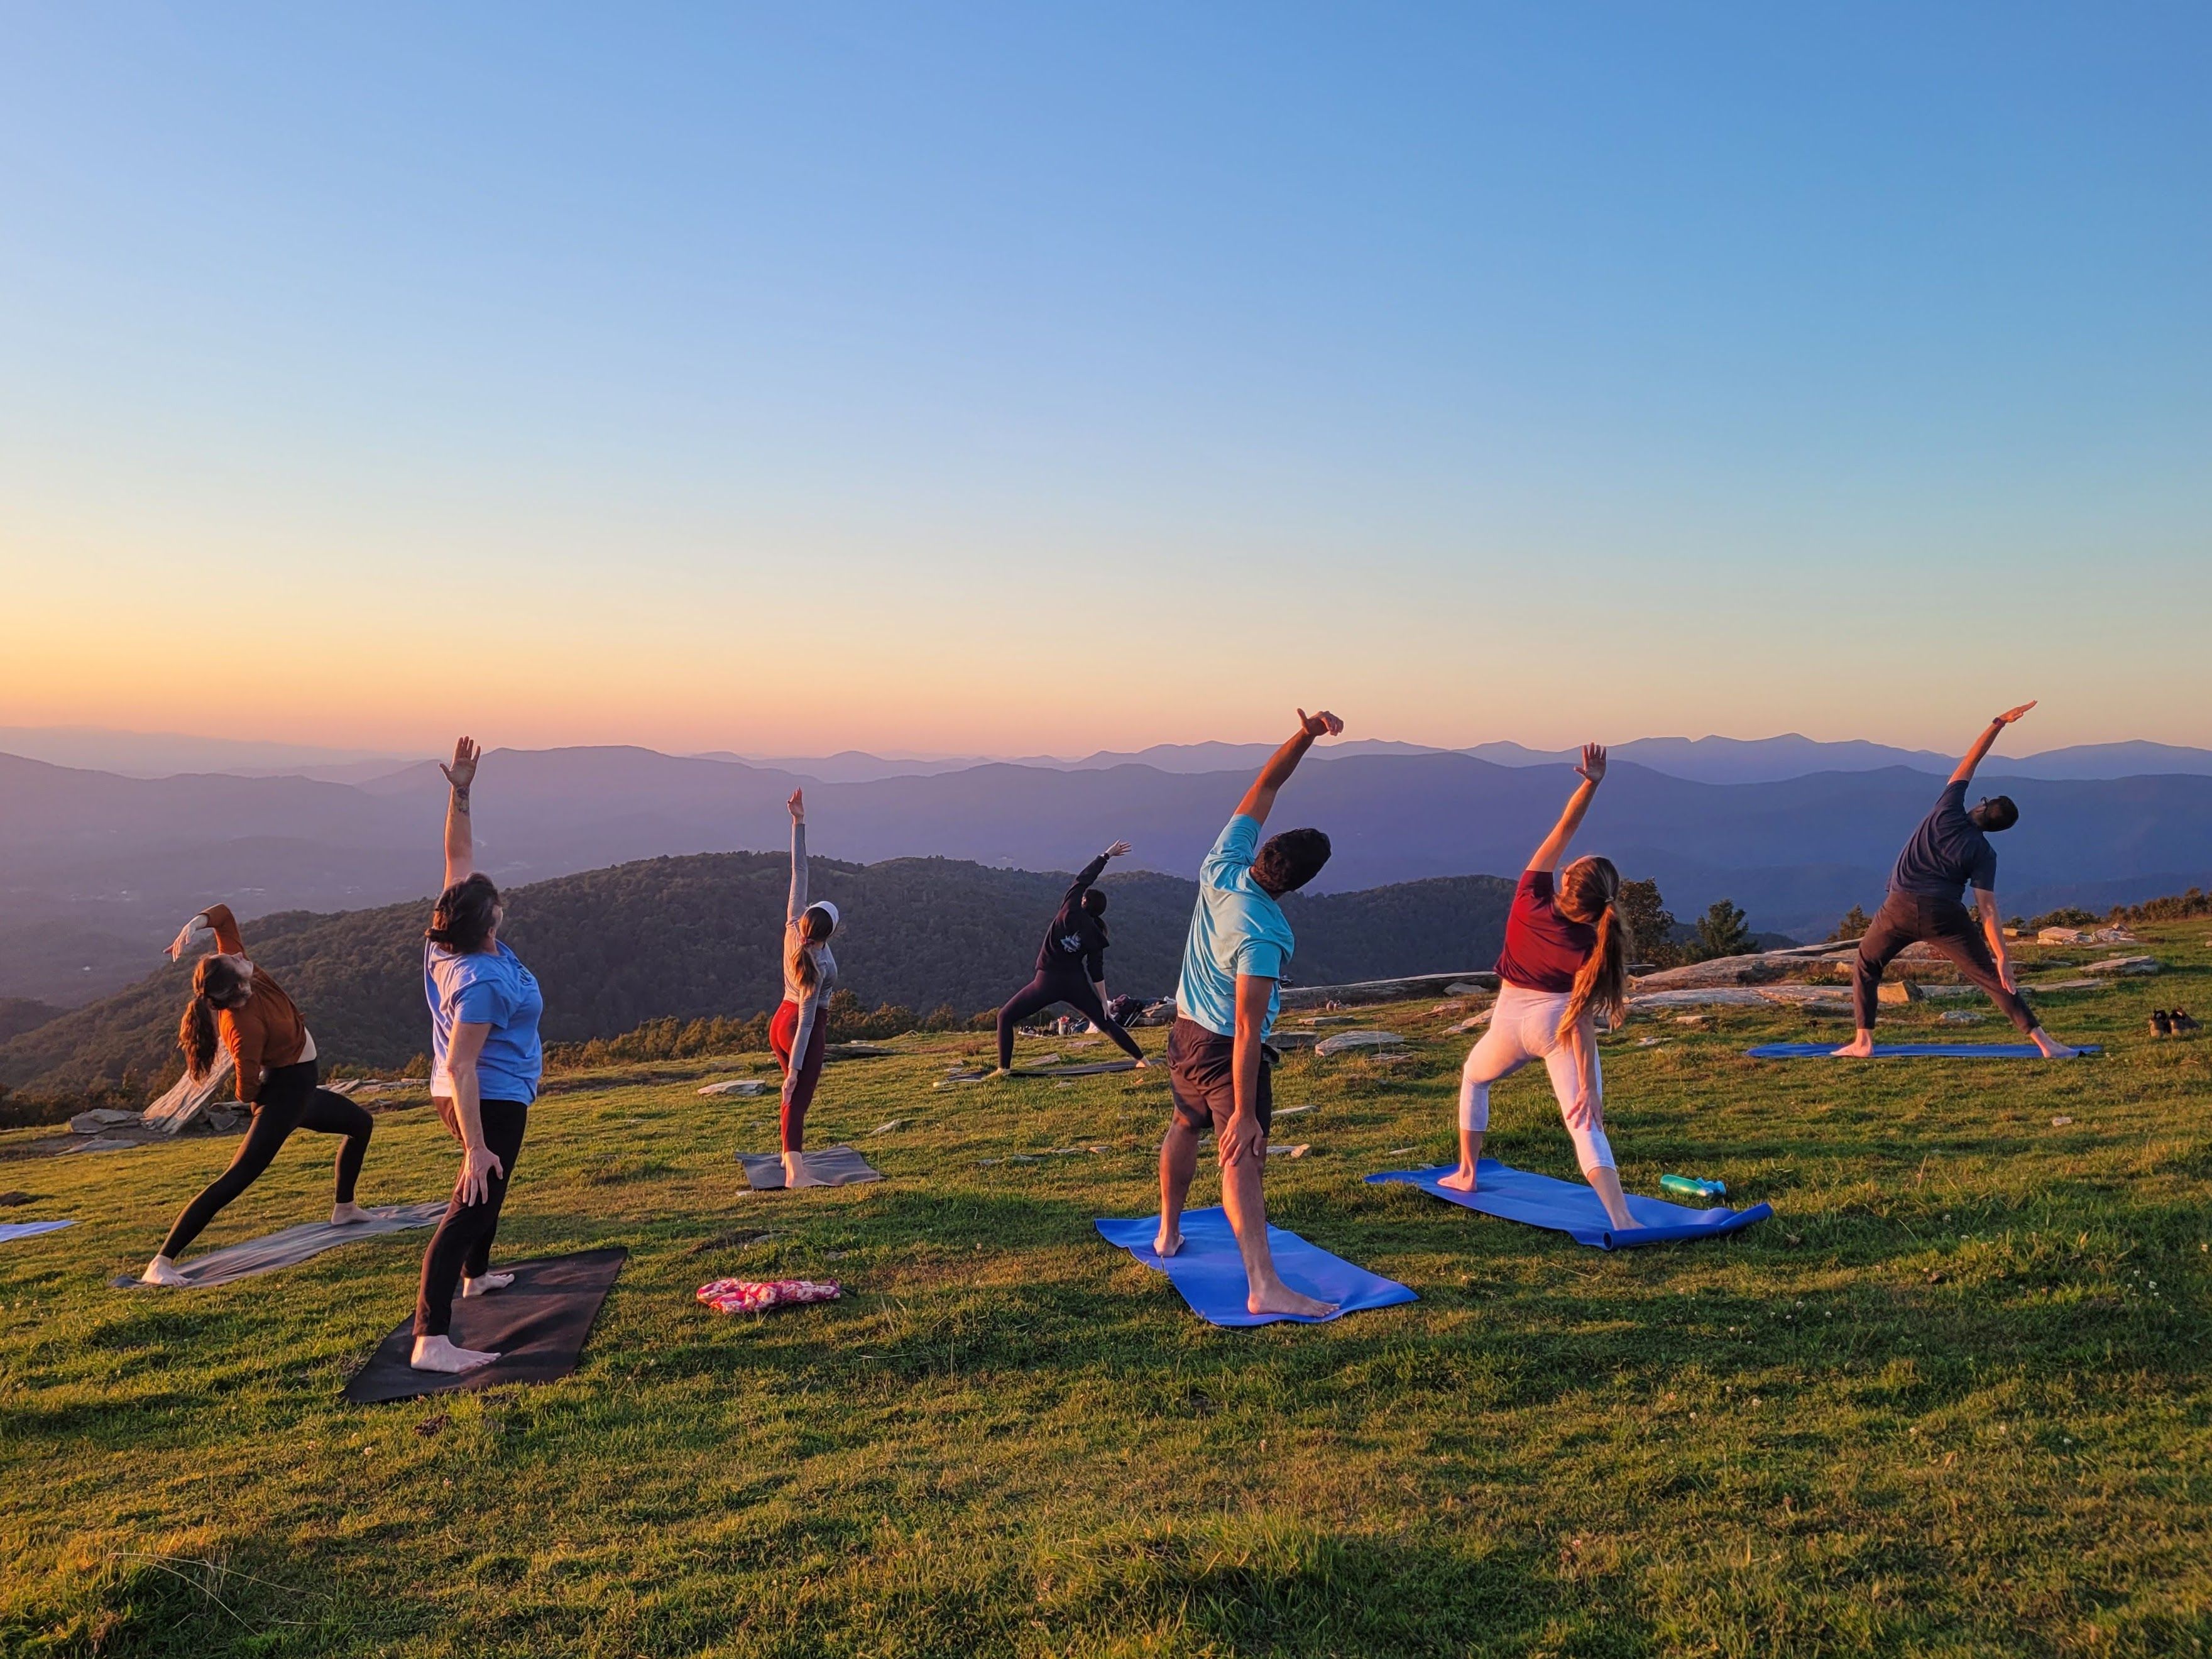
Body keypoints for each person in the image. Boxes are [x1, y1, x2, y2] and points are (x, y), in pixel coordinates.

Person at [1155, 708, 1343, 1319]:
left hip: (1182, 1034)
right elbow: (1245, 1028)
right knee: (1243, 1154)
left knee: (1184, 1126)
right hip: (1220, 1050)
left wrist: (1306, 735)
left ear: (1263, 854)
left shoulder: (1221, 866)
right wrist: (1241, 1113)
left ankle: (1167, 1234)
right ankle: (1263, 1284)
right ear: (1299, 884)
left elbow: (1265, 785)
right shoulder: (1264, 933)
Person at [1440, 743, 1641, 1231]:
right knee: (1583, 1121)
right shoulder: (1592, 945)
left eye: (1572, 864)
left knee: (1474, 1078)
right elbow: (1580, 1021)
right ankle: (1621, 1215)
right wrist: (1591, 1087)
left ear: (1567, 880)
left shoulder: (1530, 895)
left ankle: (1467, 1172)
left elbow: (1564, 827)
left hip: (1510, 1021)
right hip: (1557, 1024)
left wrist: (1589, 783)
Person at [140, 905, 376, 1284]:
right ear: (238, 989)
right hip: (285, 1097)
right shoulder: (242, 1026)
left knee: (361, 1124)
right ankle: (162, 1262)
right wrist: (269, 1096)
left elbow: (225, 918)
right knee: (237, 1177)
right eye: (233, 960)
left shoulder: (241, 971)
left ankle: (344, 1208)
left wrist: (193, 925)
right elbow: (246, 1086)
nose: (237, 954)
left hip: (300, 1091)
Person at [410, 738, 545, 1373]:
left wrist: (460, 791)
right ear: (488, 921)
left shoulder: (456, 941)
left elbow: (456, 854)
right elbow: (465, 1064)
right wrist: (475, 1143)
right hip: (482, 1095)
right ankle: (430, 1340)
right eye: (496, 900)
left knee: (490, 1193)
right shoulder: (482, 980)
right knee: (474, 1201)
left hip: (481, 1088)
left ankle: (477, 1274)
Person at [1836, 703, 2076, 1059]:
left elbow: (1972, 759)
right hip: (1945, 916)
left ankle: (1863, 1042)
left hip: (1898, 907)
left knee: (1867, 964)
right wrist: (2003, 959)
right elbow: (1988, 911)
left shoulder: (1947, 808)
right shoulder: (1984, 853)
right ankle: (2046, 1044)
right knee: (1992, 980)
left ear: (1980, 809)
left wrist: (1999, 722)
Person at [991, 840, 1148, 1075]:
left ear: (1083, 901)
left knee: (1005, 1016)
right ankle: (1143, 1060)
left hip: (1046, 982)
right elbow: (1096, 971)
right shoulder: (1096, 935)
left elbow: (1084, 878)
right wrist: (1105, 1003)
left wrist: (1107, 855)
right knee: (1105, 1022)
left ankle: (1003, 1069)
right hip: (1076, 984)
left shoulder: (1069, 910)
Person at [772, 787, 840, 1188]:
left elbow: (799, 873)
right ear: (832, 934)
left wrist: (798, 822)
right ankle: (796, 1175)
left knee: (789, 1100)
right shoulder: (824, 965)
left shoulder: (792, 923)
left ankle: (787, 1161)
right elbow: (809, 1024)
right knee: (797, 1099)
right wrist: (796, 1070)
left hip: (778, 1023)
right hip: (800, 1031)